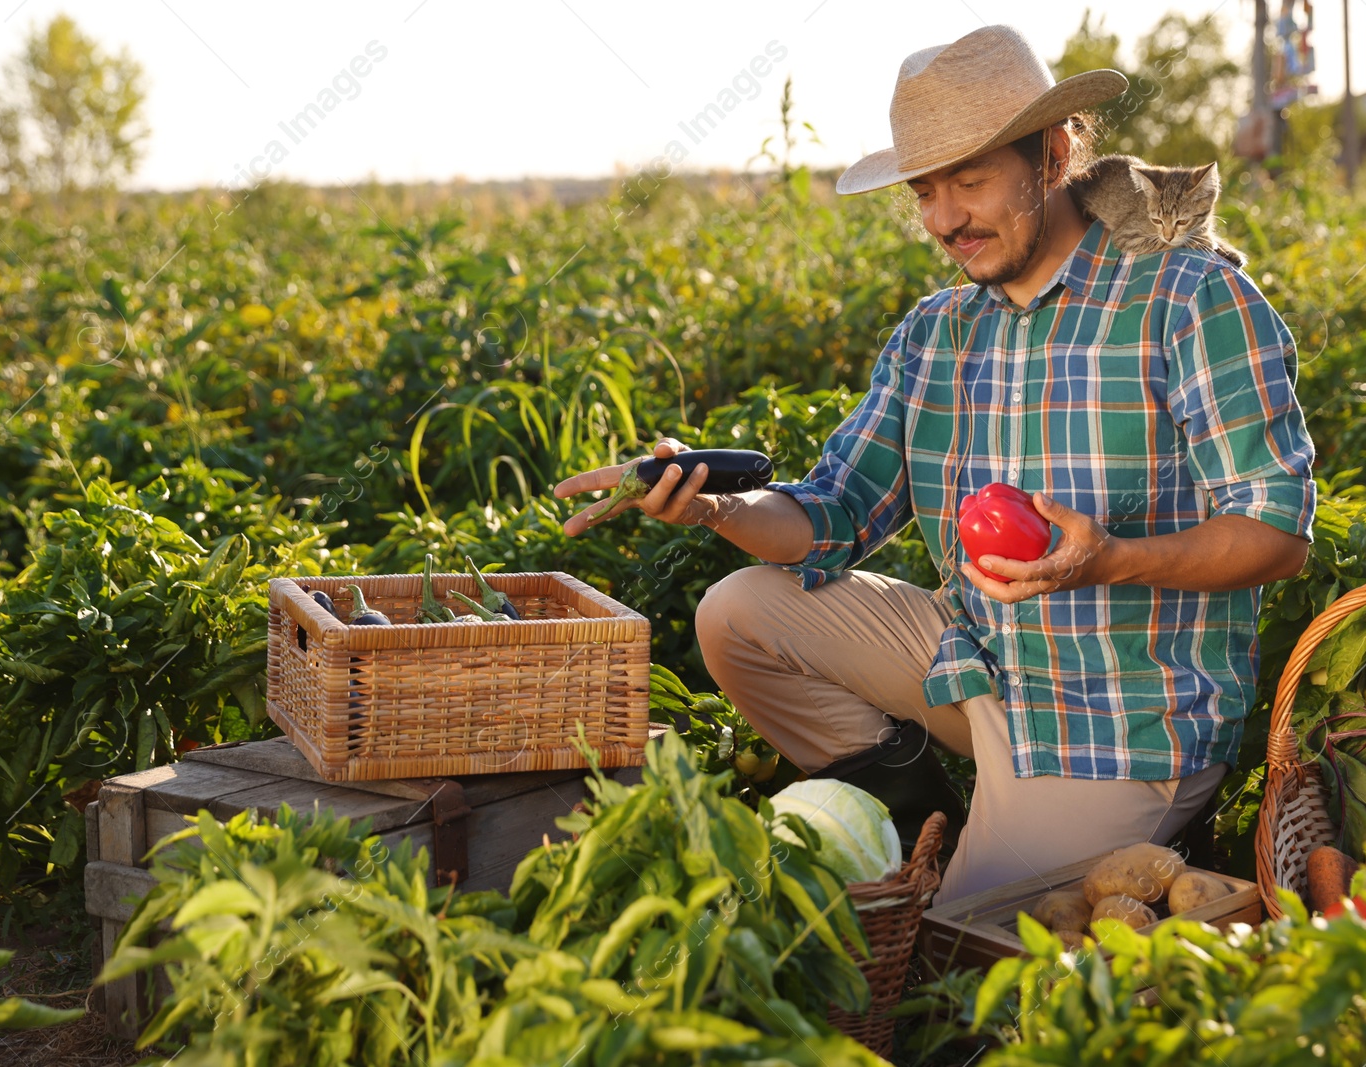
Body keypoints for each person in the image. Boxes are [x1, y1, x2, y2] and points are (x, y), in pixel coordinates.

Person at [554, 24, 1316, 905]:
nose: (945, 217)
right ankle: (920, 830)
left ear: (1054, 153)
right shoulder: (938, 332)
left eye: (970, 178)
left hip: (1122, 720)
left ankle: (985, 875)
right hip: (981, 667)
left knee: (962, 976)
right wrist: (714, 507)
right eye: (925, 189)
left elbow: (1276, 533)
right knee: (737, 615)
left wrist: (1110, 558)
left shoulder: (1189, 298)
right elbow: (830, 513)